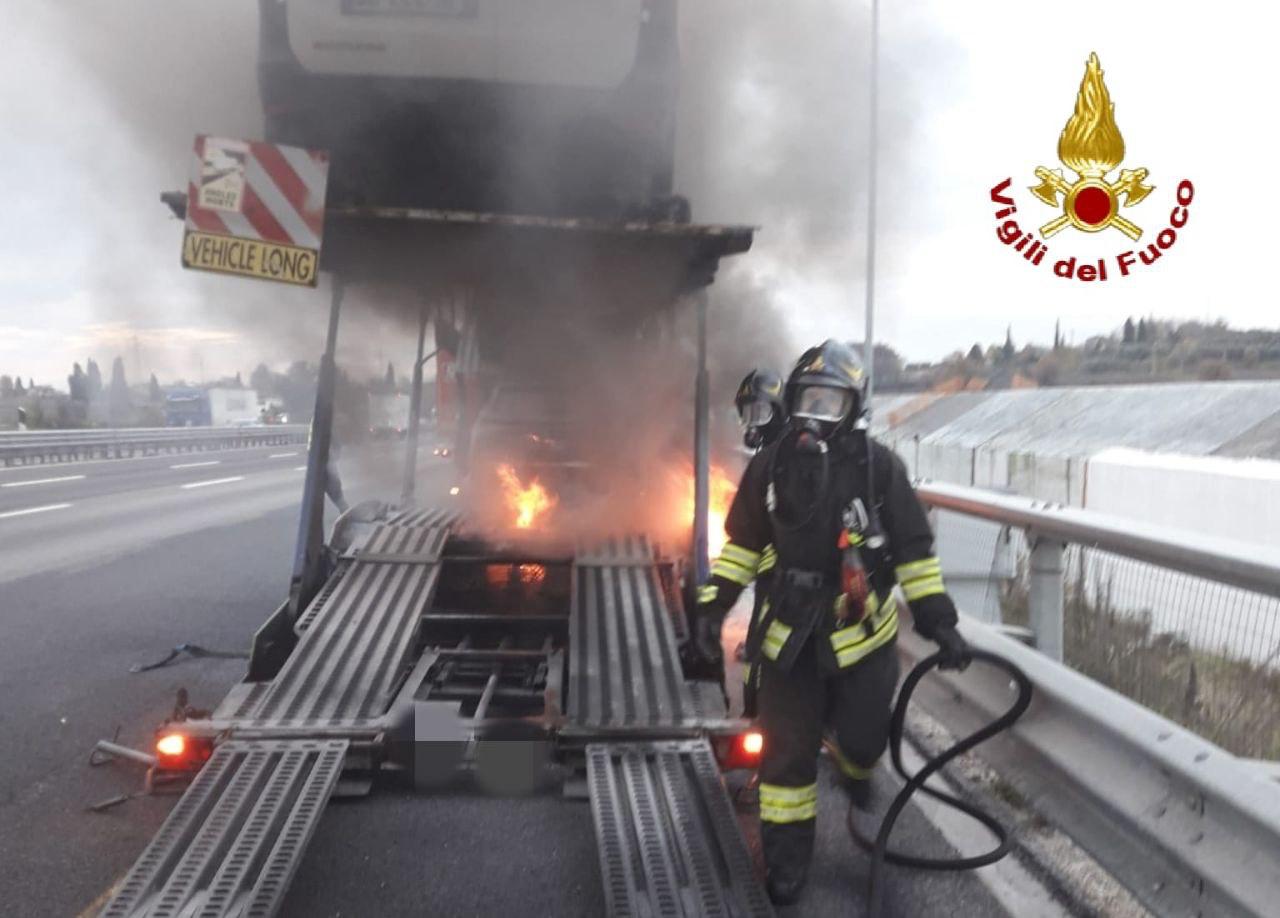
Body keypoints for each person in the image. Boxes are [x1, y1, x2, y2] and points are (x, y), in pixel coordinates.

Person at [693, 339, 971, 905]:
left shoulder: (878, 469)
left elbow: (914, 552)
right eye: (808, 401)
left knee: (864, 741)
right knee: (785, 761)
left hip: (863, 640)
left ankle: (854, 766)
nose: (815, 415)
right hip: (790, 645)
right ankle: (787, 864)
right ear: (792, 401)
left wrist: (938, 620)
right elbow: (742, 547)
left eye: (830, 402)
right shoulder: (770, 468)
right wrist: (712, 607)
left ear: (854, 407)